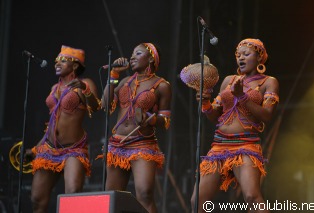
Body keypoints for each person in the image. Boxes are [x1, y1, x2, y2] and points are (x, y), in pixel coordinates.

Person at [190, 38, 279, 213]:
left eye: (246, 54)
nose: (241, 58)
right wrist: (206, 103)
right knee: (197, 200)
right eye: (238, 55)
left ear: (260, 57)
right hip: (219, 146)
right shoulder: (229, 81)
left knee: (252, 197)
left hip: (246, 145)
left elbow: (267, 115)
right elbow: (216, 117)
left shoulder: (269, 82)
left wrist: (242, 96)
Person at [99, 42, 172, 213]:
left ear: (151, 59)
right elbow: (105, 104)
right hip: (118, 145)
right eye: (132, 54)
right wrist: (114, 74)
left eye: (138, 54)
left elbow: (165, 120)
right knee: (112, 196)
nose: (132, 57)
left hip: (142, 144)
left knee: (145, 194)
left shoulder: (162, 85)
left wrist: (150, 120)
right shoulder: (124, 81)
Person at [29, 45, 100, 213]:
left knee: (72, 195)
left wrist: (85, 91)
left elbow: (95, 107)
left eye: (62, 60)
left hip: (73, 149)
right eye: (56, 61)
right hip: (49, 148)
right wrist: (36, 148)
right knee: (37, 200)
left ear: (75, 65)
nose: (56, 64)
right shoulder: (54, 88)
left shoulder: (85, 83)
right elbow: (53, 123)